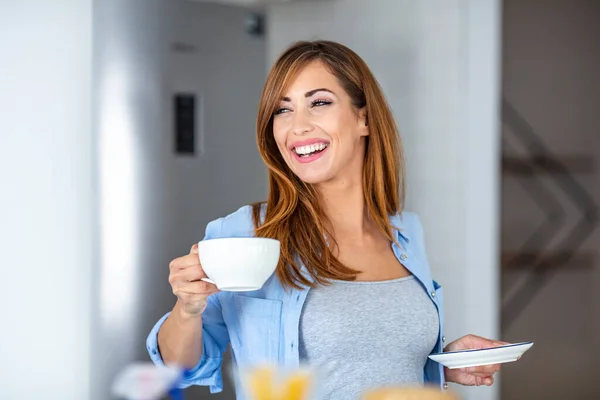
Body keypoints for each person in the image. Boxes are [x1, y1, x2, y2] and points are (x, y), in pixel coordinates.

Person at [146, 40, 505, 400]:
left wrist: (443, 363)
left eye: (318, 103)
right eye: (282, 110)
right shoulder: (246, 234)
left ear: (363, 118)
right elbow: (182, 367)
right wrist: (188, 308)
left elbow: (376, 364)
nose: (297, 126)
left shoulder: (406, 233)